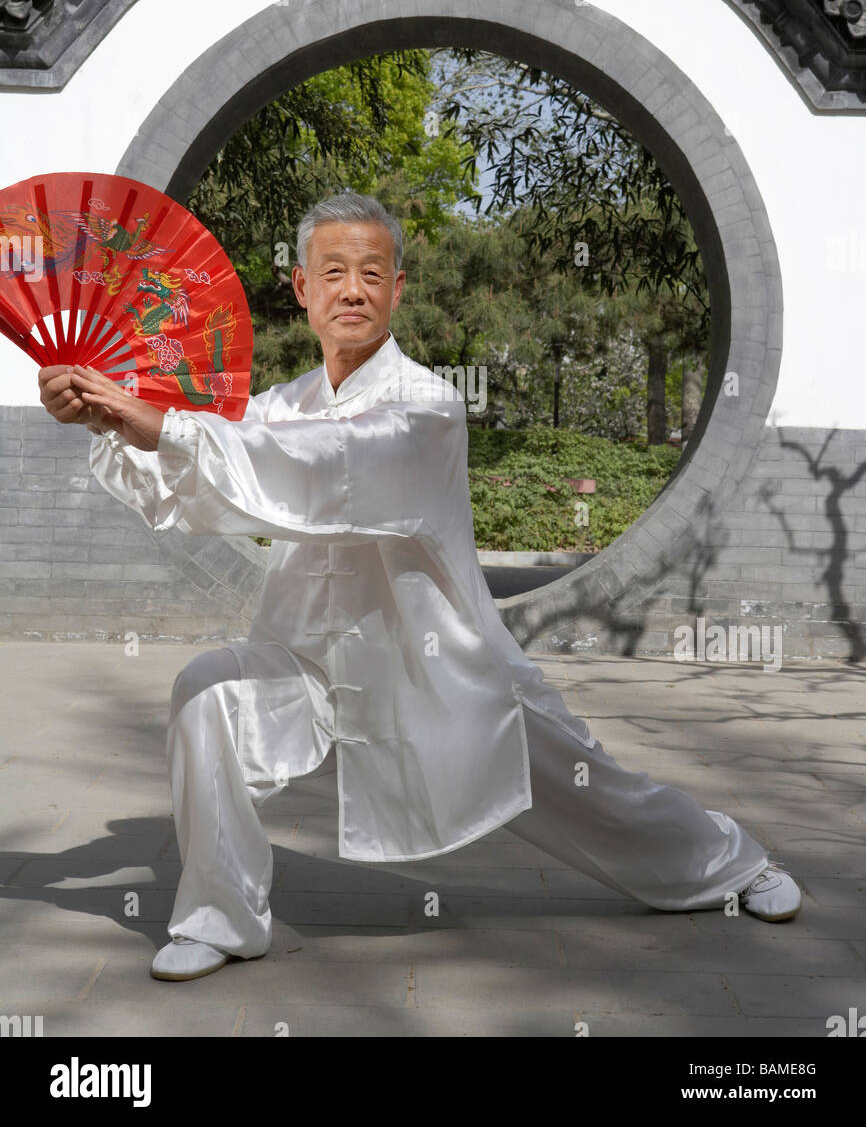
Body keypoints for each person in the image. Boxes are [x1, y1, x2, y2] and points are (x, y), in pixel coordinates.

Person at [39, 190, 800, 982]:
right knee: (207, 693)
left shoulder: (428, 405)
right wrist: (107, 419)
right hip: (307, 664)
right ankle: (220, 918)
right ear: (301, 288)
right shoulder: (281, 404)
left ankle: (732, 862)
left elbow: (323, 463)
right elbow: (214, 476)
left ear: (398, 288)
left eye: (372, 272)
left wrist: (163, 425)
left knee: (599, 794)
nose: (353, 289)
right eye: (332, 272)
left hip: (443, 675)